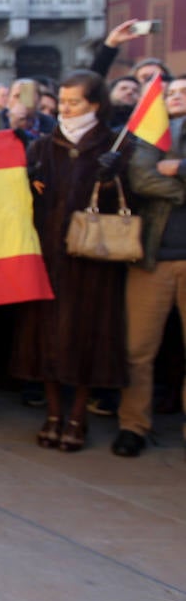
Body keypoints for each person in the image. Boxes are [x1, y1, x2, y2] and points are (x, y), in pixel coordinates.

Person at [14, 71, 127, 453]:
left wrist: (114, 179)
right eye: (62, 102)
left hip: (93, 257)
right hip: (48, 253)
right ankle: (52, 412)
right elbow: (24, 199)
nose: (66, 109)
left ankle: (78, 415)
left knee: (86, 334)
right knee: (45, 333)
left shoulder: (115, 144)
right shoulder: (44, 146)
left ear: (95, 104)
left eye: (74, 102)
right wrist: (26, 182)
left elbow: (133, 202)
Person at [115, 75, 186, 457]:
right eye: (172, 92)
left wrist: (180, 168)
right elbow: (141, 178)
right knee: (138, 349)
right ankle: (133, 424)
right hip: (152, 258)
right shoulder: (148, 136)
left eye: (184, 92)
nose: (176, 97)